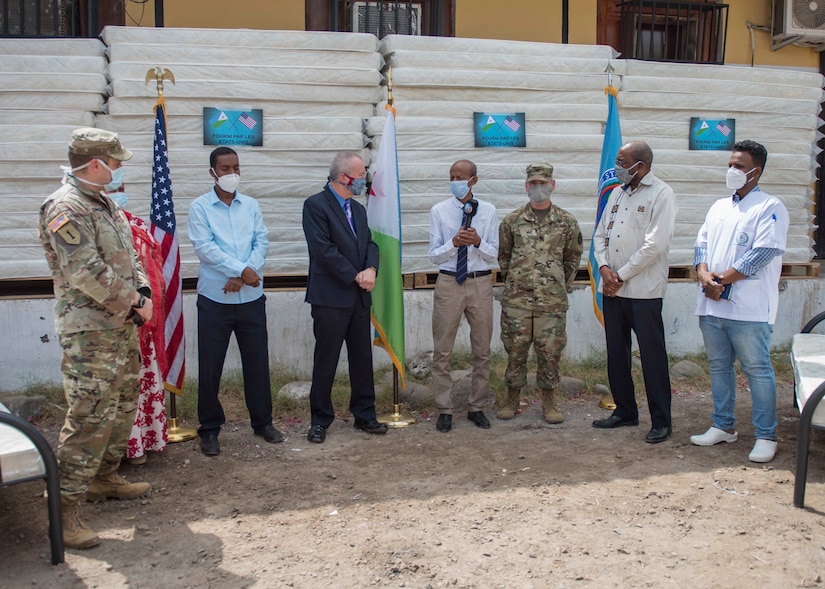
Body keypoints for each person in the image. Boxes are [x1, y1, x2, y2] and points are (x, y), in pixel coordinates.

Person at [38, 128, 153, 549]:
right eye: (115, 161)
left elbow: (131, 257)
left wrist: (141, 293)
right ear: (93, 164)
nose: (119, 167)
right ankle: (64, 511)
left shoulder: (104, 204)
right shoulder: (64, 208)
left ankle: (104, 478)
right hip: (90, 331)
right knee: (89, 415)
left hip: (120, 325)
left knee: (123, 403)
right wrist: (133, 302)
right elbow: (84, 271)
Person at [690, 140, 789, 463]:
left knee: (757, 369)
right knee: (719, 367)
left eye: (739, 166)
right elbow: (701, 245)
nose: (732, 171)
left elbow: (763, 254)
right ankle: (723, 425)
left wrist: (721, 281)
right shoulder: (719, 206)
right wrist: (704, 275)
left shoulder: (770, 207)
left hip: (747, 307)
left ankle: (765, 434)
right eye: (730, 164)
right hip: (712, 303)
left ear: (756, 171)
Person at [188, 147, 283, 457]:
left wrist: (244, 276)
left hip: (251, 297)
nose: (232, 173)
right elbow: (206, 249)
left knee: (257, 363)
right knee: (211, 366)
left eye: (235, 167)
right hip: (216, 299)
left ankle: (262, 422)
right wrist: (241, 270)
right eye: (225, 168)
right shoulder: (200, 207)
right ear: (212, 172)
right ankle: (210, 429)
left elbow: (261, 241)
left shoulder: (251, 205)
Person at [591, 141, 677, 444]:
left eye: (621, 161)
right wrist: (604, 268)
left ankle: (661, 421)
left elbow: (655, 245)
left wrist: (622, 275)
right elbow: (600, 234)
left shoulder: (661, 194)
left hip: (643, 291)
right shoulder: (616, 192)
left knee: (652, 357)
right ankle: (625, 411)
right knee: (617, 354)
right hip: (612, 290)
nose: (617, 166)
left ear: (639, 165)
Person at [302, 151, 388, 443]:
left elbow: (369, 244)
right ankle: (320, 420)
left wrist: (372, 268)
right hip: (330, 297)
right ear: (342, 177)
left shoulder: (358, 209)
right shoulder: (315, 205)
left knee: (361, 359)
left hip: (359, 297)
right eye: (361, 174)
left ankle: (365, 415)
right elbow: (323, 250)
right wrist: (355, 274)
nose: (365, 180)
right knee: (326, 358)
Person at [498, 163, 583, 423]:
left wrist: (557, 284)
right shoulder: (512, 221)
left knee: (550, 352)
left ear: (552, 185)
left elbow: (572, 259)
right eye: (533, 184)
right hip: (517, 301)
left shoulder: (567, 222)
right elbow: (504, 258)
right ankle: (512, 399)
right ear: (526, 187)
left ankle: (549, 403)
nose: (538, 188)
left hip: (551, 302)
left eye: (543, 184)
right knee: (515, 351)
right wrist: (517, 281)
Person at [428, 159, 499, 433]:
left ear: (473, 181)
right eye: (452, 176)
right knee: (442, 348)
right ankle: (444, 408)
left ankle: (477, 406)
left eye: (461, 177)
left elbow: (494, 253)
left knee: (481, 348)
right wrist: (453, 243)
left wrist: (478, 242)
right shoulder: (440, 211)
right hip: (448, 282)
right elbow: (434, 255)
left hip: (480, 283)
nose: (455, 181)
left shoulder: (489, 211)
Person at [108, 188, 169, 466]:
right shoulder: (90, 223)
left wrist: (144, 298)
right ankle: (111, 455)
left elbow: (144, 267)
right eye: (110, 189)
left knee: (139, 381)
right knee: (111, 387)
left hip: (142, 317)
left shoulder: (136, 225)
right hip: (108, 318)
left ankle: (142, 443)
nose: (116, 193)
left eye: (119, 188)